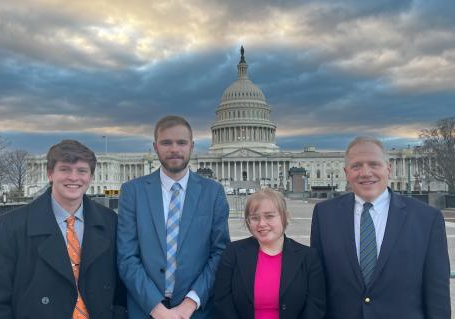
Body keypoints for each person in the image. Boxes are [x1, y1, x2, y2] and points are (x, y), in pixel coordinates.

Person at [0, 139, 126, 318]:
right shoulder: (8, 227)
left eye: (82, 171)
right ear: (50, 174)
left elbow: (121, 289)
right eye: (65, 169)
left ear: (91, 177)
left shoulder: (110, 222)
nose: (73, 177)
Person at [310, 136, 451, 319]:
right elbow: (317, 284)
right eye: (356, 166)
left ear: (388, 169)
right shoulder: (324, 214)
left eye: (374, 164)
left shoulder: (427, 218)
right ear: (346, 173)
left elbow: (437, 292)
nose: (366, 173)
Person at [117, 115, 230, 319]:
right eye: (166, 142)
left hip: (196, 312)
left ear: (192, 146)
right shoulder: (133, 192)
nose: (174, 149)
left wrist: (190, 303)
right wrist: (155, 308)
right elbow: (127, 256)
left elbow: (219, 253)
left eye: (181, 142)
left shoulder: (213, 192)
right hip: (145, 310)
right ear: (155, 146)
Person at [214, 188, 326, 319]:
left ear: (284, 217)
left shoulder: (308, 257)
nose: (262, 223)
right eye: (255, 218)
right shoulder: (232, 252)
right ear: (248, 222)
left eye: (269, 216)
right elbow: (222, 300)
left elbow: (315, 307)